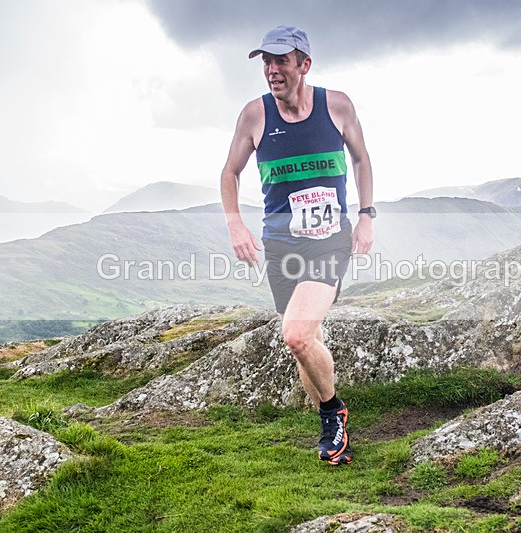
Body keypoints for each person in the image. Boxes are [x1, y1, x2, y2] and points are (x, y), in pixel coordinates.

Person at [220, 25, 375, 466]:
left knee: (295, 333)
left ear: (304, 65)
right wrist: (236, 225)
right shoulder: (255, 116)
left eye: (281, 60)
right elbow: (229, 172)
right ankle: (330, 425)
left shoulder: (337, 105)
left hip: (330, 241)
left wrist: (366, 215)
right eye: (266, 62)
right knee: (308, 342)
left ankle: (333, 413)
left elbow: (362, 159)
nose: (271, 70)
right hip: (280, 244)